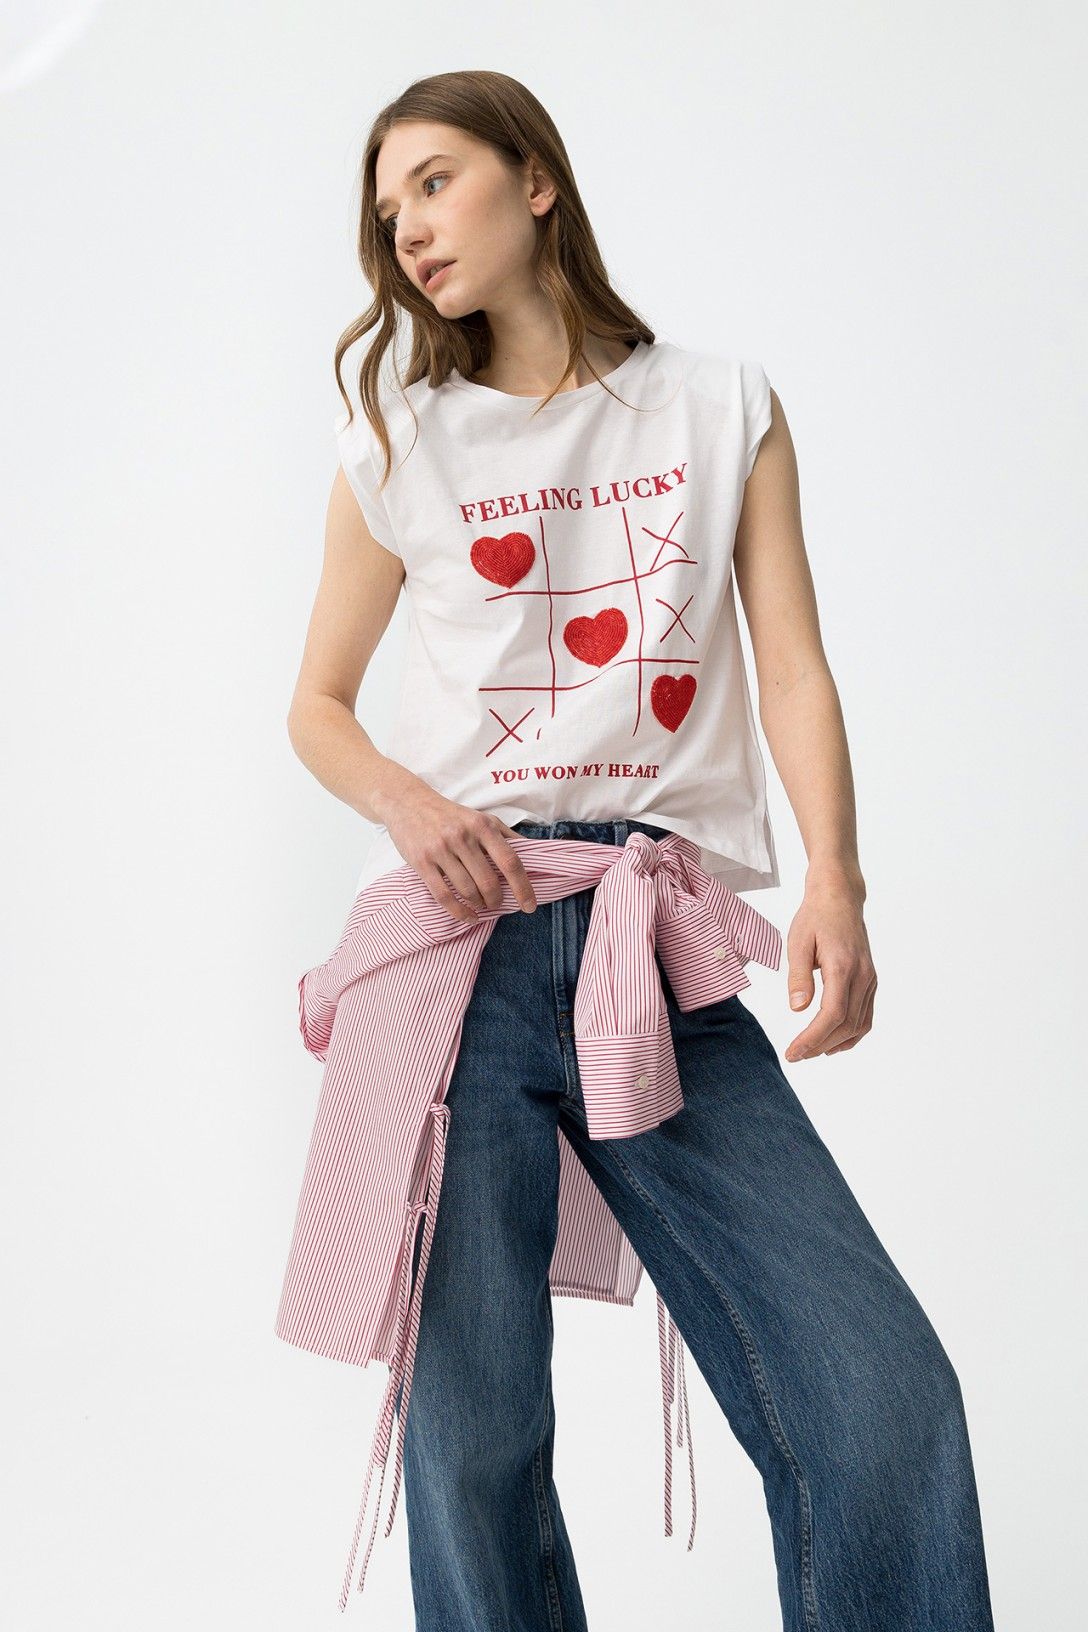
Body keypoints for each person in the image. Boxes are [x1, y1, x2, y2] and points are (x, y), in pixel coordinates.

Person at [285, 68, 996, 1632]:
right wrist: (410, 803)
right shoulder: (396, 440)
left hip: (648, 943)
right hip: (454, 959)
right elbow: (316, 708)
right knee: (474, 1450)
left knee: (877, 1396)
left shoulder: (719, 406)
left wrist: (834, 881)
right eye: (387, 209)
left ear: (535, 178)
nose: (408, 229)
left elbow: (792, 665)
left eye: (435, 181)